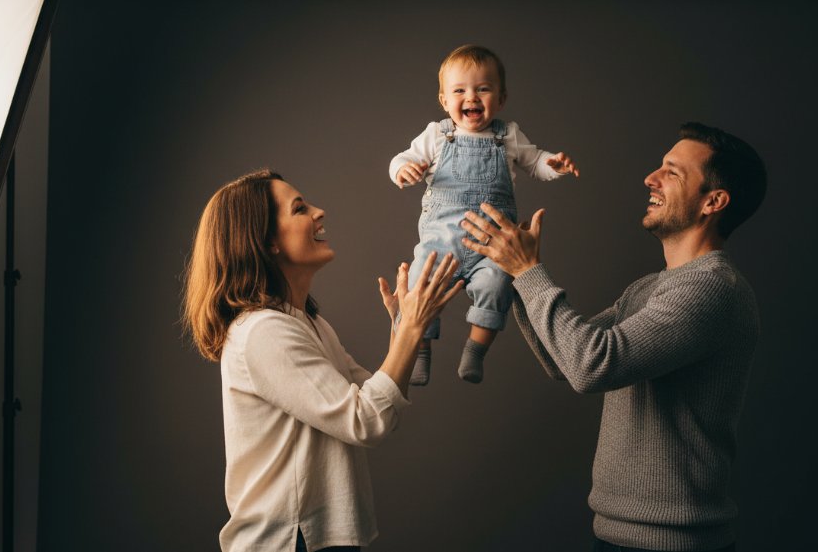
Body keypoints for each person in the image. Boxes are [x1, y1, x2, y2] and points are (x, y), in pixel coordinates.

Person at [461, 123, 767, 552]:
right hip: (616, 535)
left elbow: (591, 365)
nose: (650, 178)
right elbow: (563, 360)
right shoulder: (649, 288)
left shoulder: (713, 287)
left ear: (713, 202)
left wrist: (527, 271)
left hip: (672, 545)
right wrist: (509, 273)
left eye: (672, 173)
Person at [182, 169, 463, 552]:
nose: (319, 212)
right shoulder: (264, 331)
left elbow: (378, 395)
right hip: (290, 542)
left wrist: (405, 326)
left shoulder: (308, 324)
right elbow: (368, 420)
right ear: (267, 242)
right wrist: (411, 328)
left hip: (317, 540)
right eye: (300, 209)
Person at [389, 44, 580, 385]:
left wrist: (554, 165)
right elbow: (401, 159)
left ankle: (475, 350)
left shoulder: (508, 136)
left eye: (483, 89)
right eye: (459, 91)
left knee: (497, 285)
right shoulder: (437, 135)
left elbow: (535, 161)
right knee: (418, 283)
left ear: (501, 99)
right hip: (440, 245)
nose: (471, 97)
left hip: (491, 247)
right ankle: (420, 350)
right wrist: (403, 170)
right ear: (444, 101)